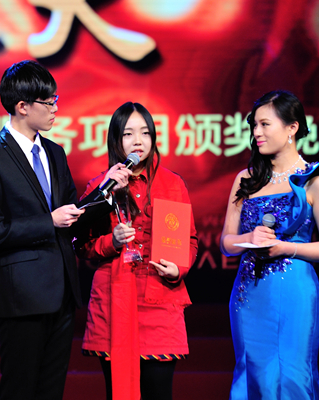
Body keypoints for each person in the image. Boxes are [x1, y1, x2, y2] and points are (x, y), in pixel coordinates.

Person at [0, 60, 131, 400]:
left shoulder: (55, 152)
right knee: (20, 389)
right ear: (22, 107)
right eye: (49, 101)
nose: (56, 108)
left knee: (52, 390)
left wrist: (106, 190)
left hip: (62, 293)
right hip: (22, 297)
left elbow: (73, 215)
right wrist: (48, 221)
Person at [220, 90, 319, 399]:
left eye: (265, 124)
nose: (256, 132)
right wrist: (248, 239)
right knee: (253, 374)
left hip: (294, 294)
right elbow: (226, 243)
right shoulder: (246, 179)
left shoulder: (315, 181)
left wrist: (286, 248)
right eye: (254, 125)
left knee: (291, 376)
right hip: (249, 293)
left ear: (292, 127)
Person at [74, 102, 198, 400]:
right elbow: (80, 243)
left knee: (159, 392)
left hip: (160, 300)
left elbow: (190, 241)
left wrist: (178, 269)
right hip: (114, 301)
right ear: (116, 140)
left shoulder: (173, 184)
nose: (138, 141)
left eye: (145, 133)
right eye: (128, 134)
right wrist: (111, 242)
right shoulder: (100, 186)